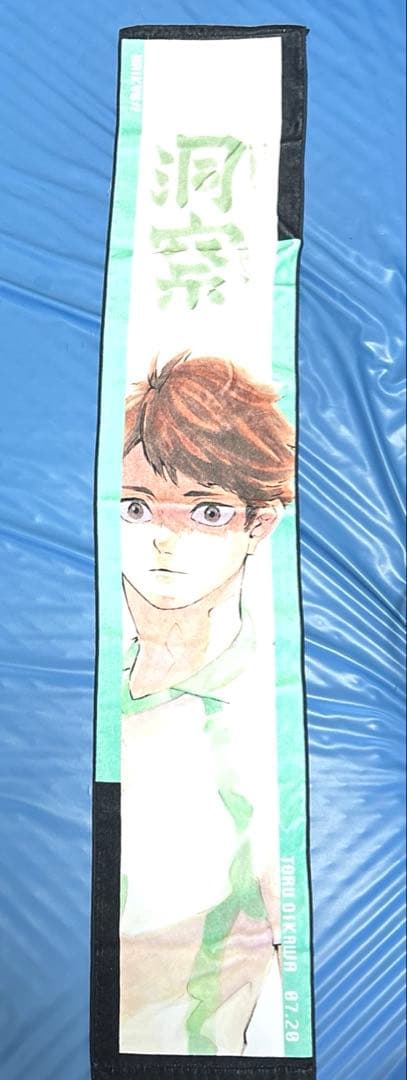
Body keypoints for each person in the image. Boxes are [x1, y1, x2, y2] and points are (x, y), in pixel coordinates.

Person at [119, 351, 295, 1056]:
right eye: (136, 507)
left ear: (259, 525)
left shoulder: (266, 728)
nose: (165, 538)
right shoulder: (81, 684)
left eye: (207, 512)